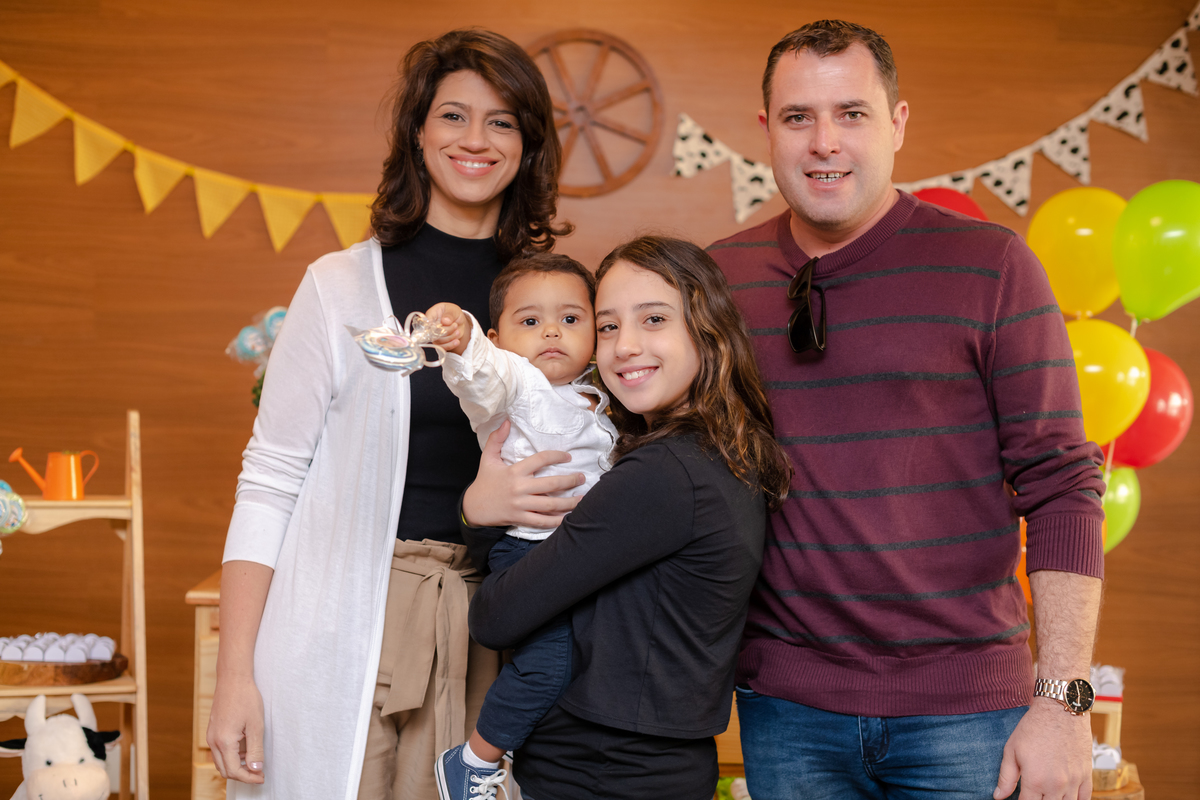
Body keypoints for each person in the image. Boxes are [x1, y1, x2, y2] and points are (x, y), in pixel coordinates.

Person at [708, 19, 1106, 800]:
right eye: (799, 117)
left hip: (970, 716)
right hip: (786, 713)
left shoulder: (991, 265)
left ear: (896, 123)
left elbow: (1062, 487)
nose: (824, 141)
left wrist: (1063, 704)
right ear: (767, 130)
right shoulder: (718, 280)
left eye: (851, 113)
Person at [205, 28, 574, 800]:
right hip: (340, 620)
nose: (475, 139)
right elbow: (269, 480)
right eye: (453, 116)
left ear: (528, 146)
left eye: (502, 122)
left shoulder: (551, 302)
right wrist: (234, 675)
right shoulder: (339, 286)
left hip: (495, 629)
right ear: (417, 132)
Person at [456, 236, 793, 800]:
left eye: (654, 319)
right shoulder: (711, 452)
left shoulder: (664, 473)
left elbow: (495, 616)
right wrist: (483, 510)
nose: (625, 346)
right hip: (634, 766)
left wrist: (477, 515)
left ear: (707, 329)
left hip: (605, 773)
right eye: (608, 326)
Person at [419, 253, 619, 799]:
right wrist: (460, 337)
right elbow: (481, 373)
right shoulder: (516, 383)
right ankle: (473, 761)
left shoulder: (602, 397)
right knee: (547, 664)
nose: (552, 331)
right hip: (529, 550)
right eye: (530, 321)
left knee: (584, 662)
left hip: (582, 557)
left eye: (571, 319)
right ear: (498, 337)